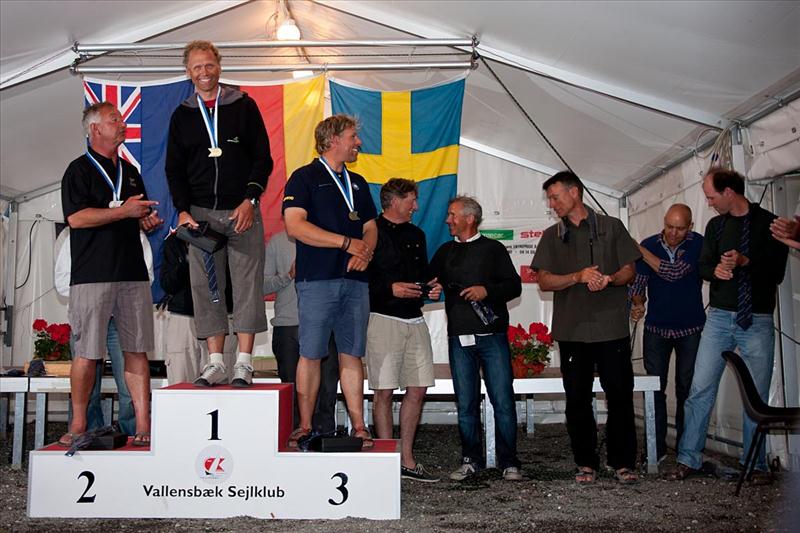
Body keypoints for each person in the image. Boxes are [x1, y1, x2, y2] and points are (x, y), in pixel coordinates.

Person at [666, 169, 788, 481]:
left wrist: (747, 263)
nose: (708, 202)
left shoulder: (769, 224)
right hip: (719, 318)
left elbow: (776, 274)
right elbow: (704, 266)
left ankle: (755, 464)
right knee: (699, 387)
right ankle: (688, 458)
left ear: (729, 192)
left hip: (756, 319)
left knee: (756, 398)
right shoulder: (716, 226)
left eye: (711, 196)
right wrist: (716, 270)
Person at [165, 40, 272, 388]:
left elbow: (262, 158)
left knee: (247, 285)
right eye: (197, 67)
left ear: (219, 66)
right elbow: (174, 169)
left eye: (209, 65)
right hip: (200, 215)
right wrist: (182, 211)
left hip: (242, 210)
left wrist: (250, 200)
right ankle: (215, 363)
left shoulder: (242, 105)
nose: (204, 73)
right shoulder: (182, 114)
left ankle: (243, 362)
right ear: (188, 72)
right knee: (206, 286)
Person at [59, 101, 163, 447]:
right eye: (114, 119)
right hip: (92, 275)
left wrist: (144, 218)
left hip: (133, 274)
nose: (122, 123)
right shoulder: (78, 171)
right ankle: (77, 425)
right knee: (87, 353)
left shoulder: (130, 171)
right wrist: (124, 212)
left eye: (121, 118)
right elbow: (77, 219)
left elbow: (136, 212)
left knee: (136, 350)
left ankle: (143, 424)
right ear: (95, 129)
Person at [530, 171, 641, 484]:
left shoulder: (612, 227)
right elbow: (543, 280)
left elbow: (629, 270)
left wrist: (609, 279)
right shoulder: (552, 235)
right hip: (572, 331)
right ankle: (586, 463)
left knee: (620, 396)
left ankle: (623, 462)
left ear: (575, 192)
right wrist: (576, 277)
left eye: (555, 197)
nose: (552, 204)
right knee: (576, 400)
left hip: (611, 329)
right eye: (550, 199)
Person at [282, 114, 378, 448]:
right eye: (353, 136)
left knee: (351, 353)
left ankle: (359, 426)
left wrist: (365, 252)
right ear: (332, 139)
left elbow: (370, 227)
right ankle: (305, 425)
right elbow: (295, 226)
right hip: (317, 279)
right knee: (310, 352)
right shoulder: (304, 178)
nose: (358, 143)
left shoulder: (359, 183)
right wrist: (345, 243)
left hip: (356, 281)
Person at [429, 196, 523, 482]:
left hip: (492, 337)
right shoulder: (445, 252)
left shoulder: (493, 249)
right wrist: (432, 290)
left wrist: (486, 291)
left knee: (503, 400)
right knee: (466, 403)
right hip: (459, 338)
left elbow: (514, 285)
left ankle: (509, 462)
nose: (448, 220)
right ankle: (471, 460)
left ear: (470, 218)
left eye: (452, 214)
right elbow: (431, 281)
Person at [367, 178, 442, 482]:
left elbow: (422, 275)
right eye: (412, 199)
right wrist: (390, 289)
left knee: (418, 388)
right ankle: (387, 460)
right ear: (394, 201)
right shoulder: (369, 230)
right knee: (383, 391)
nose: (416, 206)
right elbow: (358, 278)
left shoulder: (417, 234)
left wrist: (432, 288)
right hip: (383, 317)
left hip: (415, 319)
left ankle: (407, 459)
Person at [55, 227, 156, 436]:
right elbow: (62, 281)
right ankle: (88, 434)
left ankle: (132, 433)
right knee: (86, 386)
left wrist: (116, 296)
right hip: (89, 314)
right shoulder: (76, 234)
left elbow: (145, 277)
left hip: (122, 320)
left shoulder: (135, 234)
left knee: (128, 388)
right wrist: (97, 295)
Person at [628, 204, 705, 462]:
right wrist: (637, 303)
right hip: (656, 329)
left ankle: (686, 450)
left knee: (687, 389)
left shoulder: (697, 244)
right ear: (664, 222)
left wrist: (639, 250)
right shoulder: (650, 243)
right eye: (670, 227)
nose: (673, 233)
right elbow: (638, 285)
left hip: (690, 328)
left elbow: (673, 273)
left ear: (690, 227)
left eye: (680, 228)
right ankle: (656, 449)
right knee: (654, 389)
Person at [264, 229, 340, 433]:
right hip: (288, 325)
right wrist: (288, 275)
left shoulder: (329, 238)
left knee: (327, 388)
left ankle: (325, 436)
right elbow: (261, 285)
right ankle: (294, 439)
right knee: (291, 389)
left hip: (326, 324)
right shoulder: (277, 241)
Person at [158, 230, 237, 384]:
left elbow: (237, 281)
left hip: (219, 317)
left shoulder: (227, 239)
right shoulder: (175, 242)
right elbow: (167, 284)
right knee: (180, 382)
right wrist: (188, 261)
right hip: (183, 317)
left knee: (221, 382)